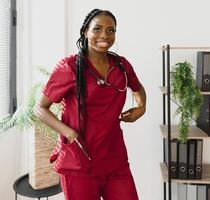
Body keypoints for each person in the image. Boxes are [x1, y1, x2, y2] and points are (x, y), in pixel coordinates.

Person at [35, 8, 146, 200]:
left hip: (114, 159)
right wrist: (68, 132)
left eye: (111, 30)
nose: (104, 35)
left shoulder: (122, 66)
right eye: (97, 29)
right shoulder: (68, 67)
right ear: (85, 32)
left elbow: (138, 89)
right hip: (78, 161)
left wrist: (141, 107)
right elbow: (39, 108)